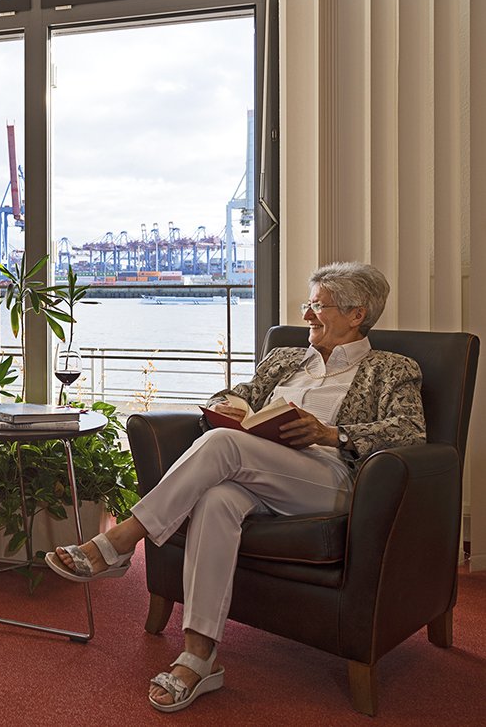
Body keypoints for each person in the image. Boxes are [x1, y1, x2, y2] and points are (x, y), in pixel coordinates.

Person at [45, 261, 425, 712]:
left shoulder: (391, 368)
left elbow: (411, 431)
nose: (306, 316)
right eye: (308, 304)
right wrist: (229, 406)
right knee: (217, 498)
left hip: (330, 481)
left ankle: (120, 541)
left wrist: (331, 434)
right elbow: (237, 395)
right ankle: (198, 655)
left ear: (356, 314)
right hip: (259, 470)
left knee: (224, 445)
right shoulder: (286, 357)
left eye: (317, 307)